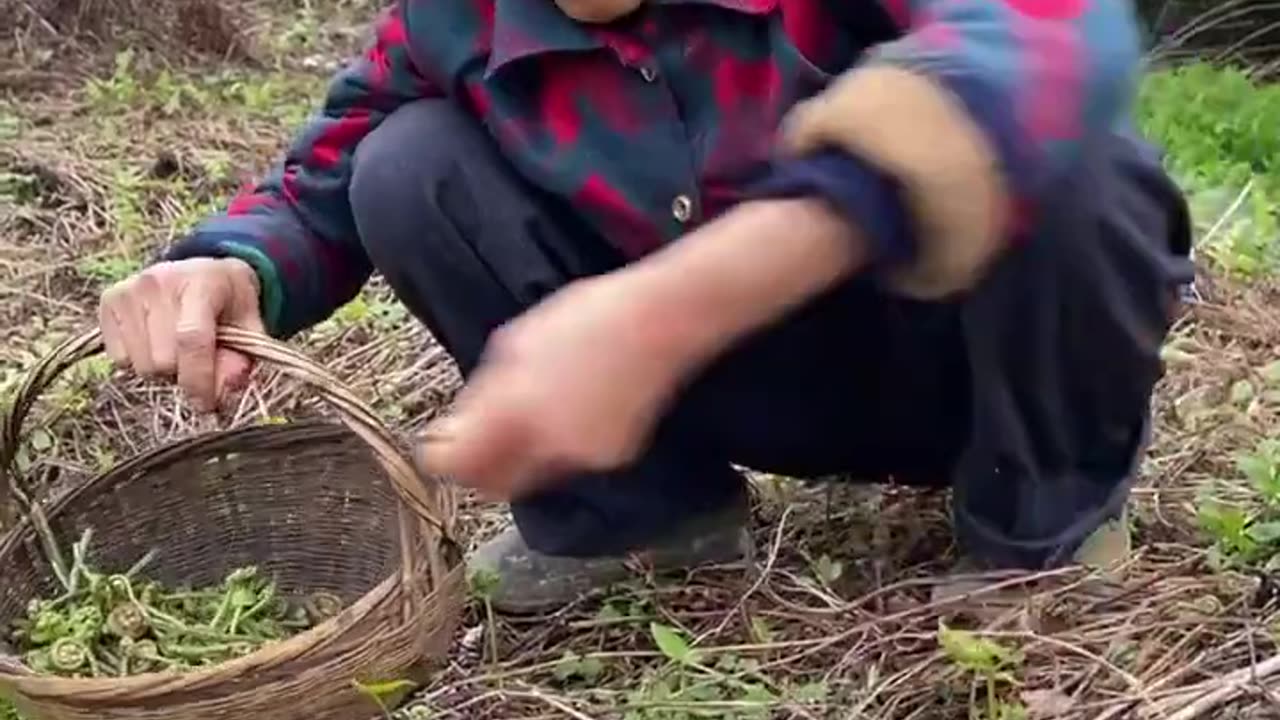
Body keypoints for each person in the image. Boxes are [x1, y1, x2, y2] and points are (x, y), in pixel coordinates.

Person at [98, 0, 1194, 613]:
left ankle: (1034, 530)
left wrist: (672, 306)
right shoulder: (457, 19)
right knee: (406, 162)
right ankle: (642, 519)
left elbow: (1049, 36)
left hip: (951, 363)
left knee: (1076, 161)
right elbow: (329, 172)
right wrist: (233, 263)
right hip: (699, 396)